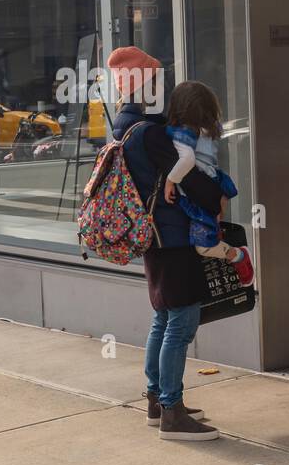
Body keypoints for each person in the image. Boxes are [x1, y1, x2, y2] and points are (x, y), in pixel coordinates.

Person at [107, 46, 224, 442]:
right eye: (156, 78)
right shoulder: (152, 133)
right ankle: (171, 411)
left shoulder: (124, 123)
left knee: (163, 317)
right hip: (171, 237)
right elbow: (192, 182)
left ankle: (158, 400)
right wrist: (217, 196)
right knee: (182, 321)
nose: (163, 85)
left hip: (153, 237)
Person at [163, 81, 255, 286]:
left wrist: (170, 180)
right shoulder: (210, 130)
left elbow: (187, 160)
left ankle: (237, 255)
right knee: (212, 226)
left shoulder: (182, 134)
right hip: (215, 184)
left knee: (203, 246)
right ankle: (220, 239)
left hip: (198, 197)